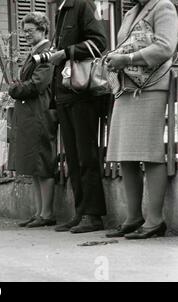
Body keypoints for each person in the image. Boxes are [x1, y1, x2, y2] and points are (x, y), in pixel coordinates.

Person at [105, 0, 178, 239]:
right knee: (125, 154)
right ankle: (133, 216)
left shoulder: (163, 6)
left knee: (149, 152)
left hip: (151, 86)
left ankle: (155, 220)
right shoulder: (130, 13)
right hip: (126, 87)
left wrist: (127, 59)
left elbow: (166, 47)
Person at [47, 0, 108, 233]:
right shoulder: (62, 10)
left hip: (82, 93)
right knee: (72, 157)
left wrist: (65, 52)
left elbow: (99, 43)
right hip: (65, 93)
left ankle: (93, 216)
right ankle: (81, 212)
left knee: (86, 156)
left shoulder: (83, 4)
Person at [9, 12, 58, 228]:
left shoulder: (47, 53)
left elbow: (38, 84)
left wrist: (15, 88)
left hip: (40, 112)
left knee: (43, 163)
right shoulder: (35, 53)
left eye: (30, 31)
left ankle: (47, 213)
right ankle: (39, 212)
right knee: (34, 166)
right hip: (31, 113)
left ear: (42, 30)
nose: (26, 35)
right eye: (25, 31)